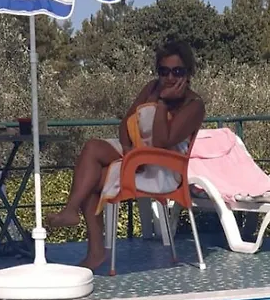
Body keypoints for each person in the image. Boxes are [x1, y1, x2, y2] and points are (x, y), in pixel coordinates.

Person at [46, 41, 206, 269]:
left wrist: (162, 102)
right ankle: (71, 211)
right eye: (164, 71)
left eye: (177, 71)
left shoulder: (194, 105)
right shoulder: (151, 88)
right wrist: (128, 150)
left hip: (165, 167)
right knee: (92, 147)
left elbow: (162, 143)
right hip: (137, 150)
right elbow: (125, 124)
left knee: (92, 180)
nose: (169, 77)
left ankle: (95, 251)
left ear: (188, 73)